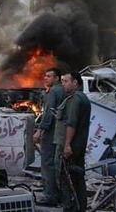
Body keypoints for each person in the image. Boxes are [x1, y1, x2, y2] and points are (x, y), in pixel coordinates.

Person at [53, 71, 91, 212]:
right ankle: (81, 208)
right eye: (62, 81)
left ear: (75, 82)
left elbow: (71, 124)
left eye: (66, 81)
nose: (63, 84)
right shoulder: (82, 98)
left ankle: (70, 208)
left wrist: (67, 145)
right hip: (79, 145)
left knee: (66, 179)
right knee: (78, 179)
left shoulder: (75, 99)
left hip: (71, 147)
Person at [32, 67, 64, 206]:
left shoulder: (53, 92)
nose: (45, 78)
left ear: (56, 78)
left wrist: (40, 130)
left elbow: (48, 114)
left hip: (51, 132)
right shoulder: (64, 90)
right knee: (57, 165)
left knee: (47, 163)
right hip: (61, 132)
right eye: (45, 76)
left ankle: (49, 196)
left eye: (49, 76)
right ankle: (59, 194)